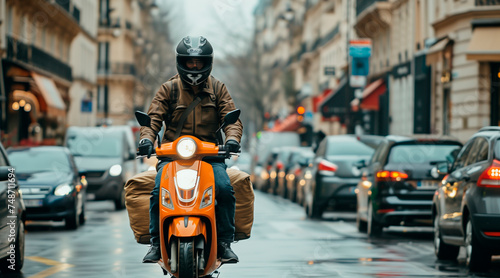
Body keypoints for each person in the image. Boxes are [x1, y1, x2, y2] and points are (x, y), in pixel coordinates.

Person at [138, 36, 243, 264]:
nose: (194, 67)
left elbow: (231, 117)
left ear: (207, 62)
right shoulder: (168, 89)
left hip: (210, 156)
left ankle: (224, 242)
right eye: (190, 62)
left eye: (199, 62)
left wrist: (232, 139)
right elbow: (153, 119)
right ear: (181, 62)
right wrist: (147, 139)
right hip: (172, 156)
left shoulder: (218, 88)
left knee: (224, 189)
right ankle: (156, 243)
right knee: (158, 193)